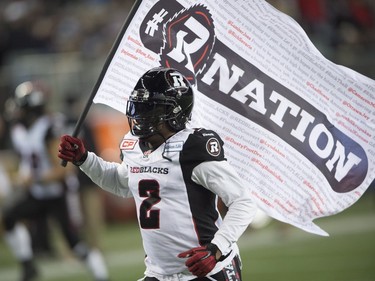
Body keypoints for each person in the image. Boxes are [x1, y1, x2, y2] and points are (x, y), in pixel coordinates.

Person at [58, 67, 257, 281]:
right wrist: (85, 160)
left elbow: (243, 202)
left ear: (175, 111)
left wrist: (216, 248)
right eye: (139, 107)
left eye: (150, 109)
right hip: (159, 273)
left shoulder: (193, 147)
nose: (141, 115)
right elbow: (123, 184)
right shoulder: (133, 146)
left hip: (207, 270)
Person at [2, 80, 109, 281]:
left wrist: (33, 178)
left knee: (74, 244)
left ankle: (101, 276)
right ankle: (27, 265)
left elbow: (65, 171)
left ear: (30, 109)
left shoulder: (49, 128)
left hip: (59, 194)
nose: (16, 111)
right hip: (38, 193)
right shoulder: (20, 131)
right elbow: (28, 160)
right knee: (9, 217)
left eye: (21, 107)